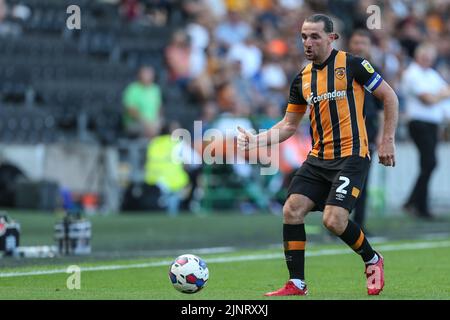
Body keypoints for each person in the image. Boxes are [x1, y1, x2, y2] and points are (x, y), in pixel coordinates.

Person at [237, 14, 399, 296]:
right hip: (318, 158)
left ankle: (372, 259)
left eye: (314, 36)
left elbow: (390, 97)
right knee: (291, 209)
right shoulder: (302, 78)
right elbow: (289, 125)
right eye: (303, 37)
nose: (307, 43)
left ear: (331, 38)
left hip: (351, 155)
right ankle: (297, 283)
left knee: (333, 221)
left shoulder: (353, 65)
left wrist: (387, 140)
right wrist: (257, 140)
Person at [401, 43, 450, 219]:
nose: (427, 60)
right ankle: (413, 202)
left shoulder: (431, 74)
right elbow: (427, 99)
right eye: (424, 56)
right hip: (419, 122)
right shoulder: (412, 73)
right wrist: (440, 95)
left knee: (427, 164)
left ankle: (420, 206)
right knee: (430, 162)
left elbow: (443, 92)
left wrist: (439, 95)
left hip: (432, 124)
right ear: (417, 56)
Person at [348, 29, 384, 233]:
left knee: (363, 181)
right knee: (341, 180)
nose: (359, 47)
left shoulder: (375, 71)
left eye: (363, 43)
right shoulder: (342, 70)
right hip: (346, 133)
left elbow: (382, 108)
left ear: (369, 47)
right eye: (356, 42)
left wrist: (382, 136)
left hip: (368, 133)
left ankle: (359, 224)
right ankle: (337, 222)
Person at [122, 65, 162, 139]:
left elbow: (158, 108)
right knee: (148, 130)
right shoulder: (133, 89)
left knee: (173, 127)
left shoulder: (155, 89)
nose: (148, 76)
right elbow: (131, 110)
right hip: (136, 123)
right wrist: (146, 123)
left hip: (153, 123)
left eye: (149, 73)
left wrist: (157, 121)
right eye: (145, 73)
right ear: (139, 75)